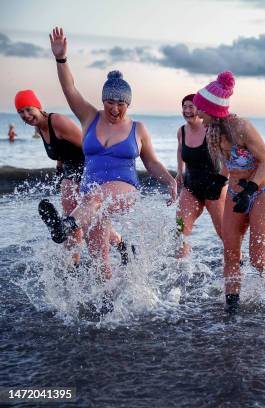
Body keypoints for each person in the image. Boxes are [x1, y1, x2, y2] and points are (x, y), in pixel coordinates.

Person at [38, 27, 177, 282]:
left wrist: (170, 180)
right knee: (98, 253)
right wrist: (61, 59)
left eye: (120, 103)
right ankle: (107, 304)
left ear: (128, 103)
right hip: (92, 195)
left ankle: (65, 227)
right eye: (109, 102)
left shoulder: (138, 129)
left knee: (95, 198)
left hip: (124, 189)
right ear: (102, 101)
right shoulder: (90, 117)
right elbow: (70, 89)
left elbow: (152, 162)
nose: (114, 108)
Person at [192, 71, 265, 311]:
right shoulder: (212, 132)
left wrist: (250, 189)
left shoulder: (242, 127)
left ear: (212, 109)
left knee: (256, 257)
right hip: (234, 194)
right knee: (230, 253)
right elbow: (228, 164)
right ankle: (232, 307)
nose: (197, 112)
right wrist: (219, 181)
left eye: (200, 108)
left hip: (260, 194)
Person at [15, 89, 129, 265]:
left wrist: (103, 173)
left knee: (84, 220)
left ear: (38, 107)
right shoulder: (40, 127)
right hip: (70, 171)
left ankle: (86, 258)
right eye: (21, 112)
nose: (26, 115)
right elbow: (61, 149)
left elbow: (88, 144)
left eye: (29, 109)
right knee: (78, 220)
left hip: (88, 170)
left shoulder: (57, 121)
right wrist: (59, 168)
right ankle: (80, 260)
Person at [175, 94, 228, 258]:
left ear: (200, 110)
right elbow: (179, 149)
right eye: (184, 107)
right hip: (191, 187)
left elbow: (228, 156)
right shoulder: (182, 131)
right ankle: (181, 269)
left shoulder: (211, 130)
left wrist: (222, 180)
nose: (187, 110)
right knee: (180, 229)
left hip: (214, 189)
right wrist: (179, 171)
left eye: (191, 107)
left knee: (224, 234)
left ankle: (237, 264)